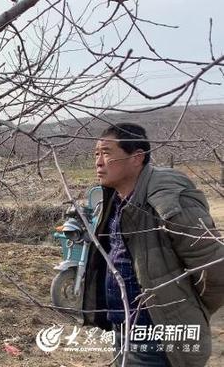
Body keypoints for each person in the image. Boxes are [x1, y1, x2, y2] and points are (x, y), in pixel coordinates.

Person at [82, 123, 224, 367]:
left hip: (156, 333)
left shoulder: (167, 201)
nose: (99, 162)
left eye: (106, 153)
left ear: (137, 157)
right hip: (121, 326)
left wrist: (188, 311)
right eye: (96, 154)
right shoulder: (115, 199)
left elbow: (215, 269)